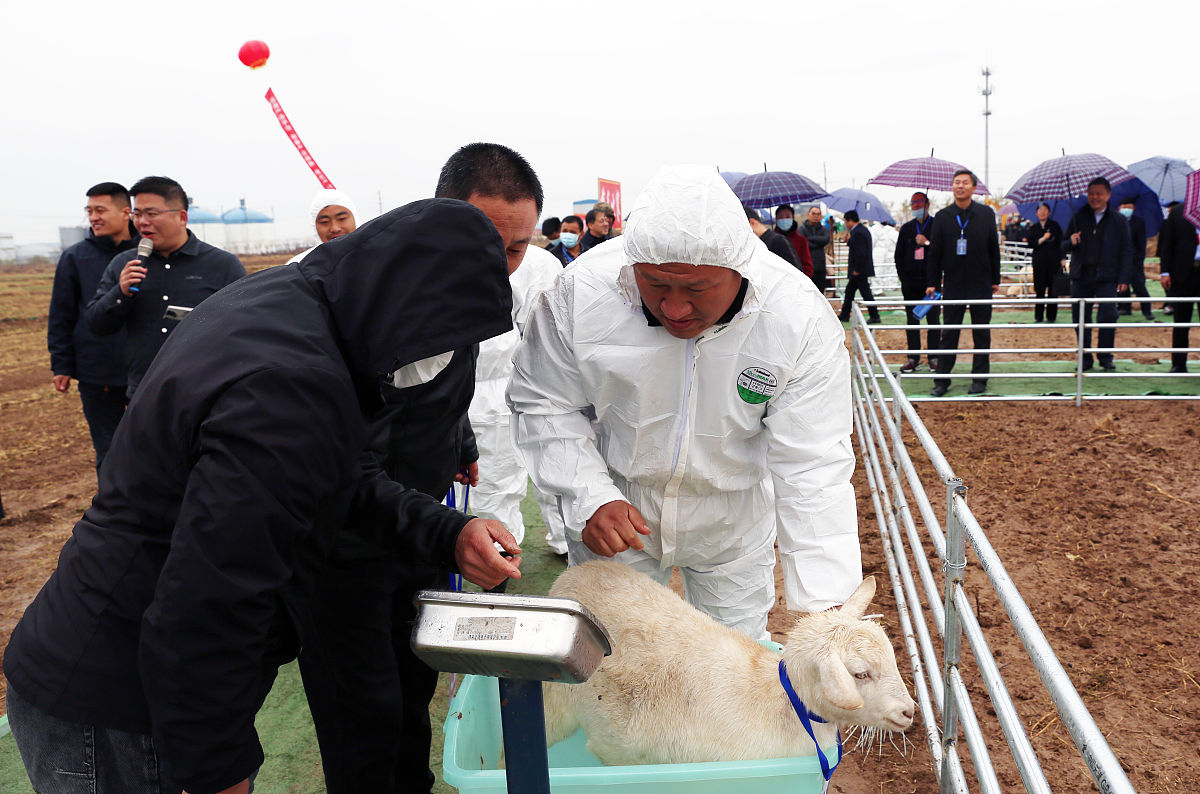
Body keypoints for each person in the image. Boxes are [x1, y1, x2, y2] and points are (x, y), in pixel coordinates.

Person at [4, 199, 523, 794]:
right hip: (121, 698)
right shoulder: (294, 382)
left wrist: (445, 532)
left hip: (117, 654)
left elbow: (335, 476)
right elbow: (212, 589)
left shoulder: (292, 303)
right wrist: (215, 763)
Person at [508, 164, 862, 641]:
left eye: (696, 289)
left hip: (730, 524)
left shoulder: (796, 316)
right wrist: (589, 497)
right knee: (612, 665)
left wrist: (827, 604)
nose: (674, 308)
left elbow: (813, 461)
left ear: (738, 270)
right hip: (618, 516)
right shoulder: (582, 293)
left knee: (732, 669)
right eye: (655, 285)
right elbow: (543, 401)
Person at [297, 143, 542, 794]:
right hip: (345, 547)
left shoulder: (458, 292)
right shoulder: (367, 311)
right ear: (439, 221)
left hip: (419, 525)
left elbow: (443, 385)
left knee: (413, 683)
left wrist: (457, 440)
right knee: (366, 714)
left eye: (516, 249)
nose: (500, 263)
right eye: (487, 241)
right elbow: (342, 472)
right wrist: (444, 531)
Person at [85, 176, 246, 396]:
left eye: (151, 214)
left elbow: (242, 329)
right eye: (137, 214)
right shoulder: (124, 264)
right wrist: (120, 292)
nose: (141, 222)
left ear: (181, 217)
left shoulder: (222, 265)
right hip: (144, 392)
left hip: (204, 390)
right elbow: (97, 324)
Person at [47, 182, 139, 473]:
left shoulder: (149, 252)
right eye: (89, 211)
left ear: (126, 212)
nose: (93, 217)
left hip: (147, 366)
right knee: (108, 448)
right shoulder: (75, 257)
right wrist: (61, 364)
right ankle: (115, 514)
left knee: (154, 444)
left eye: (101, 210)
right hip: (96, 370)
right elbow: (61, 314)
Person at [926, 169, 1000, 396]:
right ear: (952, 187)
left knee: (981, 333)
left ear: (973, 188)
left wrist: (995, 279)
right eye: (957, 182)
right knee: (948, 334)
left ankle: (979, 380)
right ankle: (942, 381)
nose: (960, 186)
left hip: (981, 283)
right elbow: (935, 253)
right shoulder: (943, 217)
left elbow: (993, 249)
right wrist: (932, 282)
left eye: (965, 183)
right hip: (954, 284)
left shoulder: (986, 214)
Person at [1062, 177, 1132, 371]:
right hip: (1081, 276)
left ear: (1108, 195)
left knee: (1109, 316)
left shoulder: (1118, 220)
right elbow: (1063, 245)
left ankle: (1105, 356)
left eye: (1099, 193)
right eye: (1091, 193)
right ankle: (1085, 358)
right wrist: (1071, 242)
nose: (1095, 197)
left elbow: (1127, 250)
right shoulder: (1079, 217)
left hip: (1107, 277)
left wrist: (1124, 278)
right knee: (1081, 319)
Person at [894, 192, 940, 370]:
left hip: (931, 283)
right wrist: (902, 276)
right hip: (910, 283)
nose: (915, 206)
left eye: (918, 203)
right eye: (912, 203)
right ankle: (913, 358)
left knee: (933, 320)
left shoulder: (937, 225)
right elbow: (898, 255)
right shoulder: (906, 228)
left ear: (927, 204)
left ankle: (934, 357)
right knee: (912, 320)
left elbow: (942, 252)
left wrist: (927, 242)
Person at [1157, 202, 1200, 372]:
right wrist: (1165, 271)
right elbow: (1167, 244)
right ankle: (1179, 363)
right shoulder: (1177, 212)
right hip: (1183, 275)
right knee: (1181, 322)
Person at [287, 188, 359, 265]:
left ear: (355, 219)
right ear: (314, 226)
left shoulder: (372, 258)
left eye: (341, 219)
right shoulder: (300, 266)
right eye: (324, 222)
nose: (335, 228)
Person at [838, 210, 881, 324]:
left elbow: (861, 253)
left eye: (846, 221)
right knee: (850, 292)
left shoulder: (858, 232)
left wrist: (857, 270)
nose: (846, 224)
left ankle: (874, 315)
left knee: (864, 293)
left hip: (859, 270)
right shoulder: (860, 231)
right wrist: (849, 241)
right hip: (861, 269)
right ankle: (845, 314)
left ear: (850, 221)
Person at [1024, 203, 1065, 323]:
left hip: (1054, 263)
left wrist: (1063, 259)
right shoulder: (1033, 228)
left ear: (1049, 212)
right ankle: (1038, 316)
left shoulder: (1055, 226)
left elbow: (1060, 243)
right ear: (1036, 213)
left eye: (1045, 210)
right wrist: (1043, 238)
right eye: (1040, 210)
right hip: (1039, 263)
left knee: (1053, 290)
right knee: (1040, 290)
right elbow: (1030, 244)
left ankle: (1051, 317)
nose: (1042, 212)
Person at [1115, 198, 1153, 320]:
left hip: (1134, 261)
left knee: (1139, 286)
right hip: (1118, 260)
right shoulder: (1115, 222)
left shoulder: (1138, 222)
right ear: (1119, 208)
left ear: (1133, 208)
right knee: (1121, 285)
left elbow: (1141, 244)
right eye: (1124, 206)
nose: (1127, 209)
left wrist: (1137, 259)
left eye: (1129, 207)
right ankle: (1124, 307)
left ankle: (1147, 310)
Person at [772, 203, 814, 277]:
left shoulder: (801, 240)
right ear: (776, 219)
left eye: (787, 216)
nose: (784, 219)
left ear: (793, 218)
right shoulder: (771, 240)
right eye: (780, 217)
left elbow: (808, 267)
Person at [799, 204, 832, 294]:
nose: (816, 216)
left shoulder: (824, 229)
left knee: (820, 294)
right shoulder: (802, 229)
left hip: (820, 268)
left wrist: (809, 238)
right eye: (813, 213)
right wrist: (819, 243)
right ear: (808, 214)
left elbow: (825, 240)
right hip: (806, 268)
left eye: (818, 214)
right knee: (806, 294)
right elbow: (803, 243)